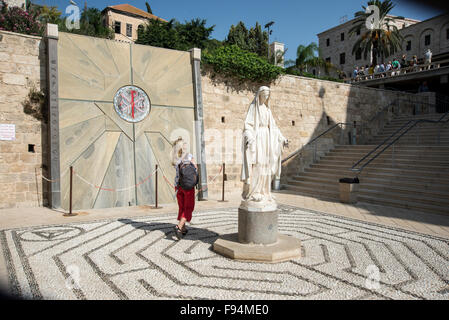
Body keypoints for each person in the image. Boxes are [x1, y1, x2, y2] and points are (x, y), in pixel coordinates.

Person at [241, 86, 288, 206]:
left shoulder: (268, 110)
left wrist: (282, 138)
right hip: (258, 137)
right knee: (258, 164)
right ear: (259, 95)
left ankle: (265, 191)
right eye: (264, 95)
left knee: (267, 164)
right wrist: (249, 136)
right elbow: (248, 125)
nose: (266, 97)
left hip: (268, 138)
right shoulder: (254, 107)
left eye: (268, 95)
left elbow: (274, 127)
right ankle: (255, 191)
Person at [172, 138, 198, 240]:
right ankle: (179, 227)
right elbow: (195, 168)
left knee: (182, 207)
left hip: (178, 186)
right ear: (182, 146)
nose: (186, 146)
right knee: (189, 207)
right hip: (188, 186)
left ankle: (183, 229)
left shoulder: (174, 158)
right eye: (185, 144)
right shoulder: (189, 156)